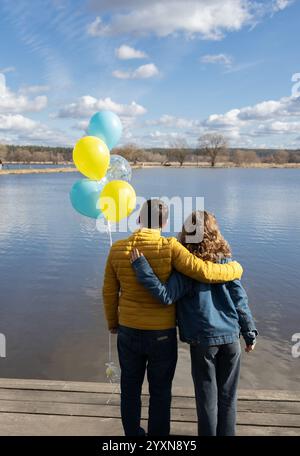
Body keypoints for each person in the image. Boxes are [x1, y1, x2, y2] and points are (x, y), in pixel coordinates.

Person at [102, 200, 243, 437]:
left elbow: (108, 291)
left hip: (128, 330)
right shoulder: (171, 248)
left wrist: (112, 323)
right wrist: (236, 269)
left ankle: (134, 437)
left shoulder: (118, 249)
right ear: (164, 222)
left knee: (129, 388)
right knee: (160, 391)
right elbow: (205, 272)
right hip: (161, 335)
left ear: (138, 219)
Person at [130, 210, 258, 436]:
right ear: (214, 233)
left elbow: (165, 296)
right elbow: (240, 300)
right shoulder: (226, 263)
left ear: (186, 234)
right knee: (228, 398)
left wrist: (142, 268)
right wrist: (249, 333)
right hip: (231, 339)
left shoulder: (185, 268)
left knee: (206, 399)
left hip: (203, 342)